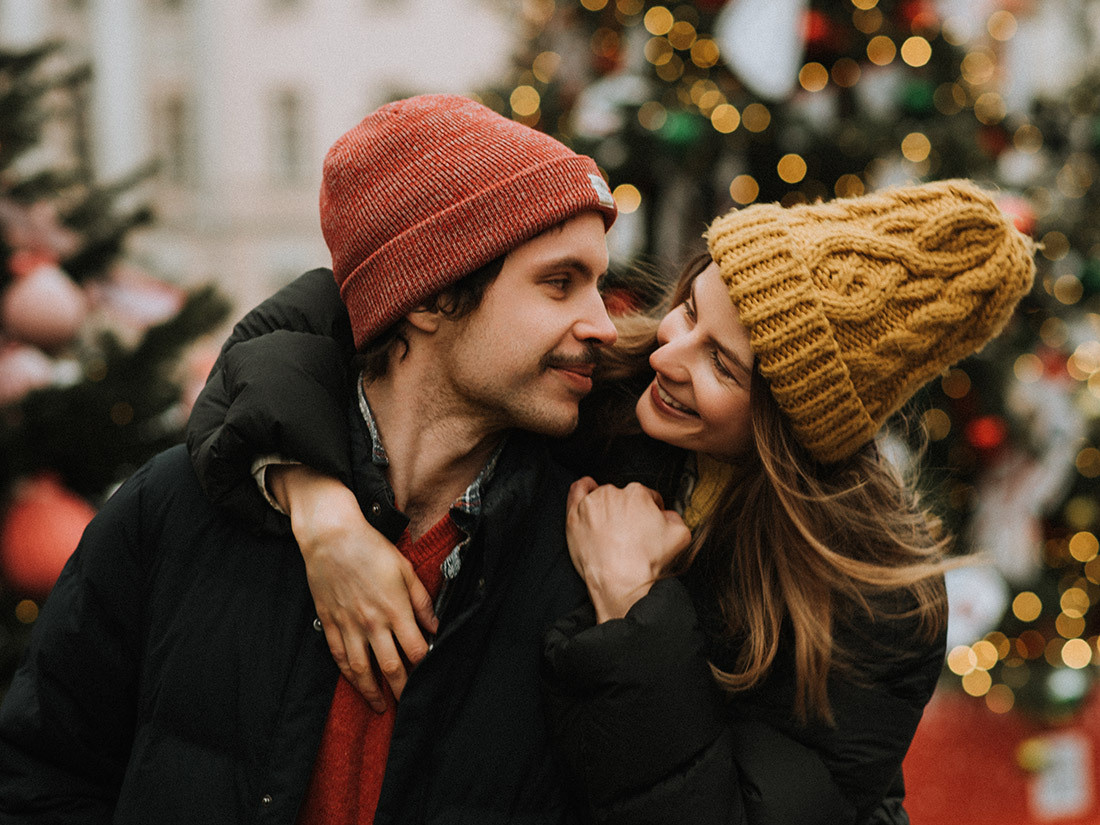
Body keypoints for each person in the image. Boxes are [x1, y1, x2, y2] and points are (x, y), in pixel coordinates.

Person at [0, 94, 840, 825]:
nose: (603, 321)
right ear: (433, 296)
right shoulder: (174, 510)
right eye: (559, 283)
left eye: (597, 282)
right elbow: (43, 774)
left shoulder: (595, 562)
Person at [179, 177, 1036, 825]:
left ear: (793, 424)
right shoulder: (594, 387)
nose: (670, 354)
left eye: (722, 366)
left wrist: (635, 614)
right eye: (691, 311)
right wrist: (321, 507)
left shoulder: (871, 603)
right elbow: (288, 336)